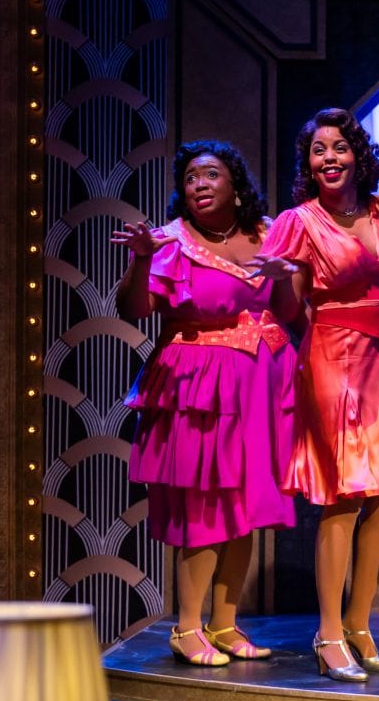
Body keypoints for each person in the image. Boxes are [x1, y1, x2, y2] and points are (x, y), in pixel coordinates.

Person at [247, 108, 379, 682]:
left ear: (358, 155)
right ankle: (328, 631)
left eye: (339, 147)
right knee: (345, 495)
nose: (328, 157)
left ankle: (360, 624)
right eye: (317, 149)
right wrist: (279, 281)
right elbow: (291, 315)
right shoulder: (298, 222)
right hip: (332, 355)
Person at [114, 140, 298, 666]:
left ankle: (224, 623)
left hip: (260, 382)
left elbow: (286, 311)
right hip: (196, 387)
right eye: (190, 176)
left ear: (236, 186)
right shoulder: (169, 241)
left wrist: (286, 281)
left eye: (210, 174)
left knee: (243, 507)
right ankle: (186, 625)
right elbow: (134, 309)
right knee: (202, 508)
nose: (198, 183)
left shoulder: (266, 236)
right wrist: (141, 260)